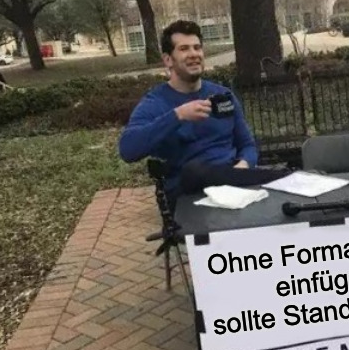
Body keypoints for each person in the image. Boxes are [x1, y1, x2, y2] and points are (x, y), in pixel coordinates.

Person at [118, 20, 288, 209]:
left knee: (279, 196)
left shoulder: (223, 96)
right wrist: (178, 116)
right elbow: (128, 150)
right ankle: (280, 176)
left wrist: (243, 167)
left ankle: (285, 178)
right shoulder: (156, 103)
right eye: (184, 49)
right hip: (189, 195)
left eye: (197, 47)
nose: (194, 54)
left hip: (234, 186)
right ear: (168, 60)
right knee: (195, 170)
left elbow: (247, 145)